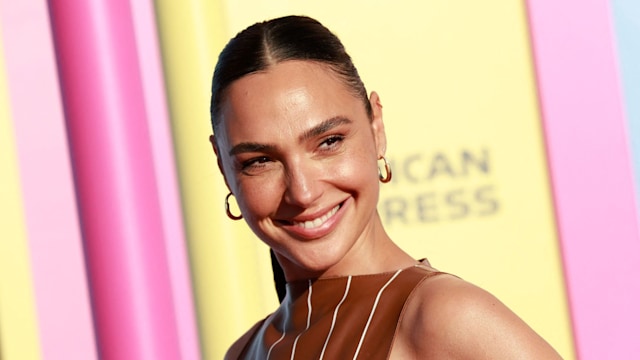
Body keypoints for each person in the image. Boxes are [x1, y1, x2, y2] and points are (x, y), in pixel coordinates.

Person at [209, 15, 562, 359]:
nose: (302, 192)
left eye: (329, 141)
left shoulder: (445, 317)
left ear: (376, 127)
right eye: (260, 161)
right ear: (224, 167)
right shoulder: (242, 352)